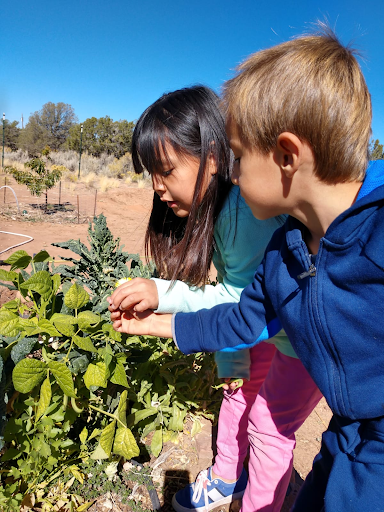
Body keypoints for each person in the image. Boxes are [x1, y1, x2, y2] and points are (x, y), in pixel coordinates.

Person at [109, 27, 384, 511]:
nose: (234, 172)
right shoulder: (286, 248)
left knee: (273, 430)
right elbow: (242, 318)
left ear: (285, 156)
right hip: (348, 432)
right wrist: (162, 323)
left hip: (370, 445)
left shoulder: (372, 233)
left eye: (238, 155)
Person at [108, 85, 322, 512]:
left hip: (303, 338)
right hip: (270, 327)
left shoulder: (241, 213)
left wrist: (162, 294)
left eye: (165, 170)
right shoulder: (225, 207)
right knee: (237, 391)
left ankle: (258, 505)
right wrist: (231, 359)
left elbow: (238, 302)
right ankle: (228, 476)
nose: (157, 187)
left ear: (211, 156)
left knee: (268, 426)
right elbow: (242, 292)